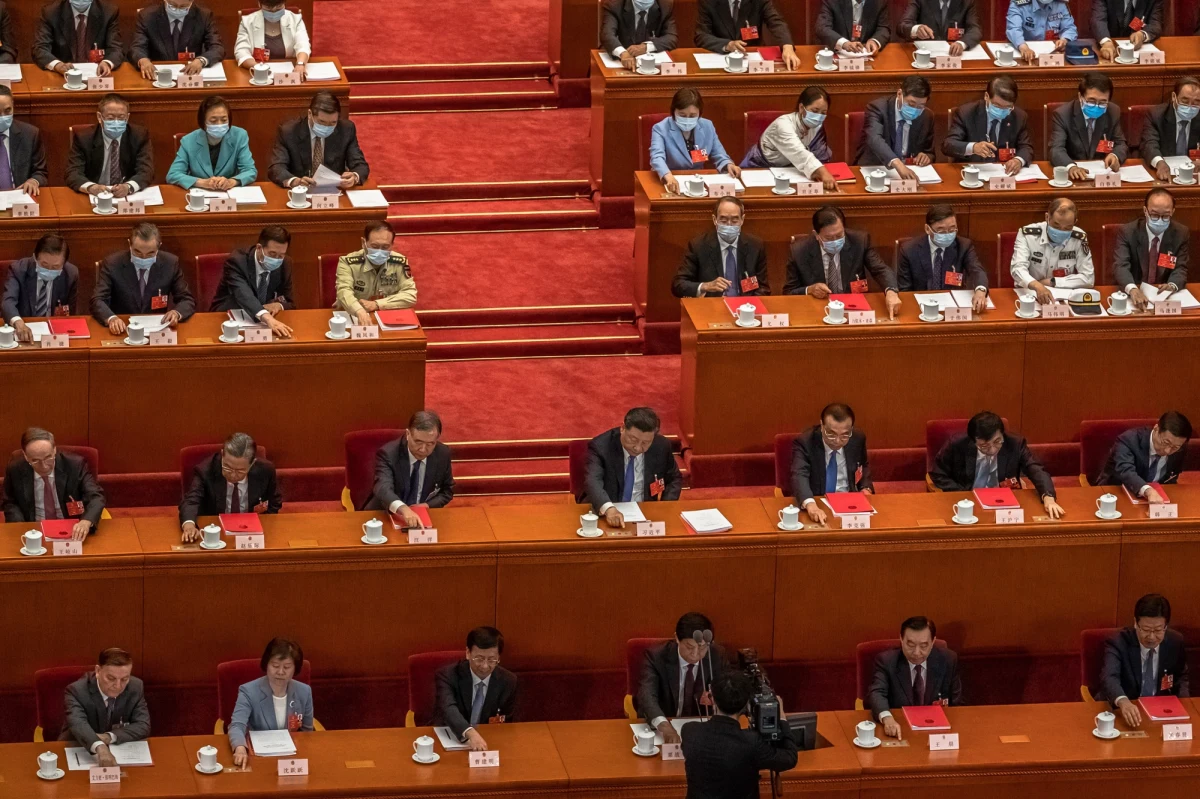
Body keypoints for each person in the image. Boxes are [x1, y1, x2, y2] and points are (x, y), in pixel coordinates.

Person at [680, 670, 797, 799]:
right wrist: (781, 718)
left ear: (712, 699)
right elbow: (789, 758)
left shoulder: (689, 731)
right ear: (747, 703)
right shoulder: (751, 742)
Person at [930, 411, 1065, 519]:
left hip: (1004, 505)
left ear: (1002, 434)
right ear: (973, 441)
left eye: (997, 442)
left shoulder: (1015, 444)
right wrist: (964, 495)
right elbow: (937, 473)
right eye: (984, 446)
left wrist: (1048, 497)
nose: (993, 449)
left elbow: (1035, 469)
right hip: (969, 504)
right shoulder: (957, 445)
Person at [782, 205, 902, 320]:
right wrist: (809, 290)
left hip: (853, 307)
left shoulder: (860, 241)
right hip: (818, 310)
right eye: (829, 238)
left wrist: (891, 291)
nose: (835, 241)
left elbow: (880, 269)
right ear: (816, 235)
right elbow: (788, 292)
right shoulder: (799, 251)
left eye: (839, 235)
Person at [584, 406, 683, 528]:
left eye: (645, 443)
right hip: (608, 512)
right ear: (622, 428)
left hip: (646, 514)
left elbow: (674, 478)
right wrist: (609, 508)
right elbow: (593, 481)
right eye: (633, 439)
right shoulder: (601, 447)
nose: (637, 448)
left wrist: (664, 507)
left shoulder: (661, 446)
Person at [1099, 593, 1189, 727]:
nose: (1151, 637)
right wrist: (1123, 701)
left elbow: (1181, 676)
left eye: (1158, 630)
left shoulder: (1175, 642)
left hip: (1160, 713)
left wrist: (1183, 704)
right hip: (1123, 711)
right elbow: (1109, 677)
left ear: (1166, 626)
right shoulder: (1118, 642)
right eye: (1146, 630)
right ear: (1136, 623)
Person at [866, 617, 963, 740]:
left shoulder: (948, 660)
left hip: (936, 733)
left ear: (933, 641)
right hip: (900, 730)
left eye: (923, 646)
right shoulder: (887, 661)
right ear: (901, 639)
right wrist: (887, 718)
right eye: (910, 645)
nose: (917, 652)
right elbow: (876, 693)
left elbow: (957, 703)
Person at [637, 612, 727, 745]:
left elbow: (728, 694)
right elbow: (647, 696)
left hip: (702, 733)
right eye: (689, 647)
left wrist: (717, 699)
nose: (695, 654)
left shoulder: (717, 656)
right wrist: (665, 727)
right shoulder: (656, 657)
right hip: (663, 728)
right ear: (677, 639)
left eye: (702, 647)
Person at [91, 222, 196, 335]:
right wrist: (111, 318)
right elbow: (97, 300)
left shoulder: (170, 263)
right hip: (122, 329)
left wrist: (176, 312)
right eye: (138, 253)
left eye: (150, 253)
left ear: (159, 246)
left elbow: (186, 299)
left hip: (157, 331)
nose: (144, 258)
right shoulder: (113, 263)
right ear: (129, 244)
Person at [2, 427, 105, 539]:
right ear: (26, 456)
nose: (44, 466)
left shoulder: (74, 465)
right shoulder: (16, 469)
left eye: (48, 458)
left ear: (54, 450)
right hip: (33, 530)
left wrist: (86, 521)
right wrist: (20, 526)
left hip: (71, 528)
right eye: (35, 461)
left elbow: (96, 496)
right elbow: (10, 502)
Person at [179, 432, 282, 543]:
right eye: (227, 467)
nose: (232, 475)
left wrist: (264, 527)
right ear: (222, 454)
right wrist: (189, 525)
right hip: (216, 533)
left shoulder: (266, 471)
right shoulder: (206, 470)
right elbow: (191, 500)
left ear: (252, 464)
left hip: (251, 534)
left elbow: (274, 502)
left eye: (240, 471)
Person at [229, 638, 313, 768]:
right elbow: (236, 725)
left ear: (295, 669)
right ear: (266, 665)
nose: (280, 672)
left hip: (291, 759)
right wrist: (240, 748)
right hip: (259, 758)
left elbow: (307, 732)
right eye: (275, 665)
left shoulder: (304, 691)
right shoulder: (248, 691)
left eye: (287, 667)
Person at [433, 626, 518, 751]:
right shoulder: (447, 675)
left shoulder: (508, 681)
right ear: (468, 653)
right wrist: (470, 733)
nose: (485, 666)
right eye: (479, 658)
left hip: (486, 744)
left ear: (499, 658)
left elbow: (506, 723)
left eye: (491, 659)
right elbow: (448, 709)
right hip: (449, 740)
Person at [740, 87, 840, 192]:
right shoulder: (783, 125)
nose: (819, 116)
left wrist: (820, 174)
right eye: (815, 111)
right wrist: (822, 172)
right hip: (760, 168)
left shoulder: (817, 127)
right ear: (801, 108)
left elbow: (821, 155)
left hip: (793, 171)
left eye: (823, 113)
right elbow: (798, 152)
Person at [61, 648, 150, 766]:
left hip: (120, 752)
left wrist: (109, 737)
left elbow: (143, 725)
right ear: (98, 671)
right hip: (78, 749)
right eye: (111, 678)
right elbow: (78, 724)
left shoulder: (135, 687)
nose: (118, 686)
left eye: (124, 679)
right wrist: (100, 746)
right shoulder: (77, 691)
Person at [790, 402, 874, 525]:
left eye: (844, 435)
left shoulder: (857, 438)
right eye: (831, 434)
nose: (837, 441)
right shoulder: (805, 442)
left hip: (849, 505)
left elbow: (863, 465)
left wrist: (866, 488)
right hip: (817, 502)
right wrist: (811, 505)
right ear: (822, 426)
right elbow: (799, 474)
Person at [365, 411, 455, 524]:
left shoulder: (442, 453)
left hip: (423, 518)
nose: (423, 449)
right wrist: (403, 509)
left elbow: (447, 491)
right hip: (385, 515)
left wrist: (427, 505)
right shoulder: (388, 454)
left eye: (430, 444)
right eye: (418, 442)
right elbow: (382, 488)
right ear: (408, 434)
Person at [897, 204, 989, 311]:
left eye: (952, 229)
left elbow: (977, 270)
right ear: (927, 229)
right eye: (941, 231)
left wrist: (981, 291)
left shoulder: (963, 246)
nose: (947, 234)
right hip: (920, 308)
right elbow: (904, 291)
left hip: (952, 308)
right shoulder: (909, 250)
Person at [672, 197, 769, 298]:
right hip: (712, 308)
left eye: (734, 220)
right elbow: (678, 284)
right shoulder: (698, 246)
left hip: (746, 308)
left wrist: (748, 307)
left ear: (742, 220)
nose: (729, 225)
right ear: (715, 220)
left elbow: (763, 288)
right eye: (723, 220)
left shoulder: (755, 246)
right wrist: (705, 286)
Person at [268, 91, 367, 189]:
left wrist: (354, 176)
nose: (327, 127)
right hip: (299, 193)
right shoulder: (289, 132)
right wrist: (295, 181)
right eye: (322, 122)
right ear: (310, 114)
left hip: (334, 192)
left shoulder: (346, 129)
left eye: (332, 123)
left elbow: (360, 165)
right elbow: (276, 167)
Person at [650, 89, 740, 195]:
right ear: (673, 112)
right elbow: (657, 157)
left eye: (692, 116)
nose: (687, 119)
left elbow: (719, 153)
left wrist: (728, 164)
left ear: (699, 114)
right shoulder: (660, 128)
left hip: (697, 182)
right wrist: (668, 175)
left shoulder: (707, 126)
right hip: (670, 181)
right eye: (682, 115)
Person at [210, 225, 295, 337]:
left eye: (281, 255)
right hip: (228, 318)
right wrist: (268, 318)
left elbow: (290, 302)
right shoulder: (237, 261)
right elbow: (244, 295)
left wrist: (279, 305)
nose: (276, 259)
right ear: (259, 248)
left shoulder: (285, 264)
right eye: (272, 254)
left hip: (263, 324)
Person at [65, 94, 154, 198]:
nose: (116, 122)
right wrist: (92, 187)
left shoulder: (139, 135)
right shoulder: (84, 138)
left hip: (128, 197)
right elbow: (73, 173)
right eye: (111, 118)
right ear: (99, 117)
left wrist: (128, 187)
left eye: (121, 118)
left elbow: (146, 171)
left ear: (127, 117)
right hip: (94, 196)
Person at [1113, 188, 1187, 312]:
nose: (1159, 220)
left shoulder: (1181, 233)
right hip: (1135, 294)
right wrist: (1133, 289)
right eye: (1154, 215)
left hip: (1163, 297)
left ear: (1173, 212)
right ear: (1145, 211)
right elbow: (1120, 266)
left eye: (1165, 216)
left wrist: (1172, 285)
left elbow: (1181, 268)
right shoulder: (1128, 232)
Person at [942, 76, 1034, 175]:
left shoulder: (1019, 116)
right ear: (986, 96)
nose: (1001, 111)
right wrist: (973, 147)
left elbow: (1026, 147)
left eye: (1007, 107)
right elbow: (948, 145)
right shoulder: (966, 113)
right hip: (973, 173)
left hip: (1005, 174)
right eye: (997, 106)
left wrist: (1018, 160)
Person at [1010, 198, 1095, 303]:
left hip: (1063, 297)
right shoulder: (1028, 235)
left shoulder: (1079, 238)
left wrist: (1053, 282)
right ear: (1047, 217)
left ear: (1075, 222)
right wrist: (1037, 285)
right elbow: (1017, 269)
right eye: (1056, 225)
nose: (1061, 231)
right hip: (1029, 295)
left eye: (1067, 228)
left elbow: (1088, 278)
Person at [1095, 411, 1191, 502]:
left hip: (1156, 500)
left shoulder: (1180, 448)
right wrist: (1148, 491)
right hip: (1115, 494)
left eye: (1175, 447)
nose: (1167, 450)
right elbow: (1126, 471)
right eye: (1165, 443)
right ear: (1156, 428)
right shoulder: (1128, 440)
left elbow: (1171, 478)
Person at [167, 95, 257, 191]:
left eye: (224, 120)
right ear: (203, 122)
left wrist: (231, 181)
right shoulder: (188, 141)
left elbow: (250, 171)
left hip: (229, 195)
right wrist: (202, 182)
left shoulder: (239, 136)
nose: (219, 125)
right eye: (213, 121)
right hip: (200, 196)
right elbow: (173, 175)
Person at [334, 221, 417, 325]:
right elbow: (344, 292)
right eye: (374, 246)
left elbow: (410, 295)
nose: (379, 251)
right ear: (363, 242)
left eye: (385, 247)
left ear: (392, 245)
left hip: (388, 318)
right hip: (354, 317)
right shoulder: (347, 263)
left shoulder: (399, 262)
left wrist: (376, 304)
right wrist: (359, 311)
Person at [1049, 72, 1128, 181]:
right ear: (1080, 97)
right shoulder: (1063, 114)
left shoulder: (1113, 112)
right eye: (1091, 101)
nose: (1096, 106)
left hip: (1102, 175)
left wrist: (1115, 156)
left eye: (1102, 102)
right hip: (1073, 177)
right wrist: (1071, 167)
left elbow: (1121, 144)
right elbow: (1056, 149)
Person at [2, 234, 79, 343]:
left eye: (55, 267)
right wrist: (18, 322)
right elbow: (8, 302)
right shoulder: (18, 269)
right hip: (23, 331)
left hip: (54, 335)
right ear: (35, 257)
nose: (49, 270)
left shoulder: (70, 274)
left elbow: (70, 311)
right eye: (44, 265)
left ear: (64, 264)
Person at [858, 77, 935, 183]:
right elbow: (874, 138)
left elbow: (930, 151)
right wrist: (898, 164)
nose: (915, 110)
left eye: (920, 106)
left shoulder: (926, 116)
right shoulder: (877, 108)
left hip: (911, 173)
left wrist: (926, 156)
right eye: (911, 104)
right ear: (899, 94)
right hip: (876, 169)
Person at [131, 0, 224, 80]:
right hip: (156, 75)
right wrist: (143, 60)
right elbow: (137, 47)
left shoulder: (204, 16)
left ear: (191, 2)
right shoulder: (147, 16)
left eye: (183, 7)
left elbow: (217, 47)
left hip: (189, 75)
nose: (177, 10)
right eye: (173, 5)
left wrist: (201, 61)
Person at [695, 0, 800, 70]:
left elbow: (776, 22)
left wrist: (787, 46)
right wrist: (727, 45)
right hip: (720, 61)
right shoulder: (708, 2)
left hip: (752, 60)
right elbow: (701, 36)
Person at [33, 0, 124, 77]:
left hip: (97, 75)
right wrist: (57, 65)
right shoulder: (51, 12)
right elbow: (40, 48)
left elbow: (116, 48)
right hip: (62, 76)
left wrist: (107, 63)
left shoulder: (108, 11)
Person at [1141, 77, 1200, 183]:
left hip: (1193, 176)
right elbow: (1149, 144)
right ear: (1174, 97)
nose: (1190, 107)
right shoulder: (1156, 115)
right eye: (1185, 101)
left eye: (1196, 102)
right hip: (1165, 174)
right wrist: (1159, 163)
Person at [235, 0, 310, 78]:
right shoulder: (247, 22)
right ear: (259, 4)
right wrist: (258, 68)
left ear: (284, 3)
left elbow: (303, 45)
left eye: (278, 8)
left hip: (290, 74)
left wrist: (300, 64)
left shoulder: (295, 19)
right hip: (259, 75)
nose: (274, 12)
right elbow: (241, 51)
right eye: (268, 9)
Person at [0, 85, 49, 197]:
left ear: (13, 106)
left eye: (8, 110)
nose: (3, 116)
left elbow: (41, 172)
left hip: (19, 197)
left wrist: (33, 181)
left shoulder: (30, 134)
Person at [600, 0, 678, 70]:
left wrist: (646, 47)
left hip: (649, 64)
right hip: (619, 61)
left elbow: (671, 37)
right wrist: (622, 53)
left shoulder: (665, 6)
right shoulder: (614, 5)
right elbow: (607, 35)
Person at [1006, 0, 1076, 62]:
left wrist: (1064, 40)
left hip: (1053, 54)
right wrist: (1023, 47)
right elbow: (1013, 29)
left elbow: (1069, 28)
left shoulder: (1060, 3)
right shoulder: (1019, 3)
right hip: (1027, 55)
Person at [1093, 0, 1162, 62]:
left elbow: (1155, 23)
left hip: (1138, 55)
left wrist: (1142, 35)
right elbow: (1098, 20)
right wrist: (1106, 42)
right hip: (1111, 51)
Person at [902, 0, 982, 53]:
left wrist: (962, 43)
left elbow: (974, 29)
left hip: (953, 56)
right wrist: (916, 30)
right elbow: (903, 25)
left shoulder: (966, 2)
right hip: (924, 54)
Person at [815, 0, 891, 54]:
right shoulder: (833, 1)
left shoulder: (879, 2)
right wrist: (844, 43)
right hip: (837, 54)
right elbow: (822, 28)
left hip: (865, 54)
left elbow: (883, 28)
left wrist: (875, 41)